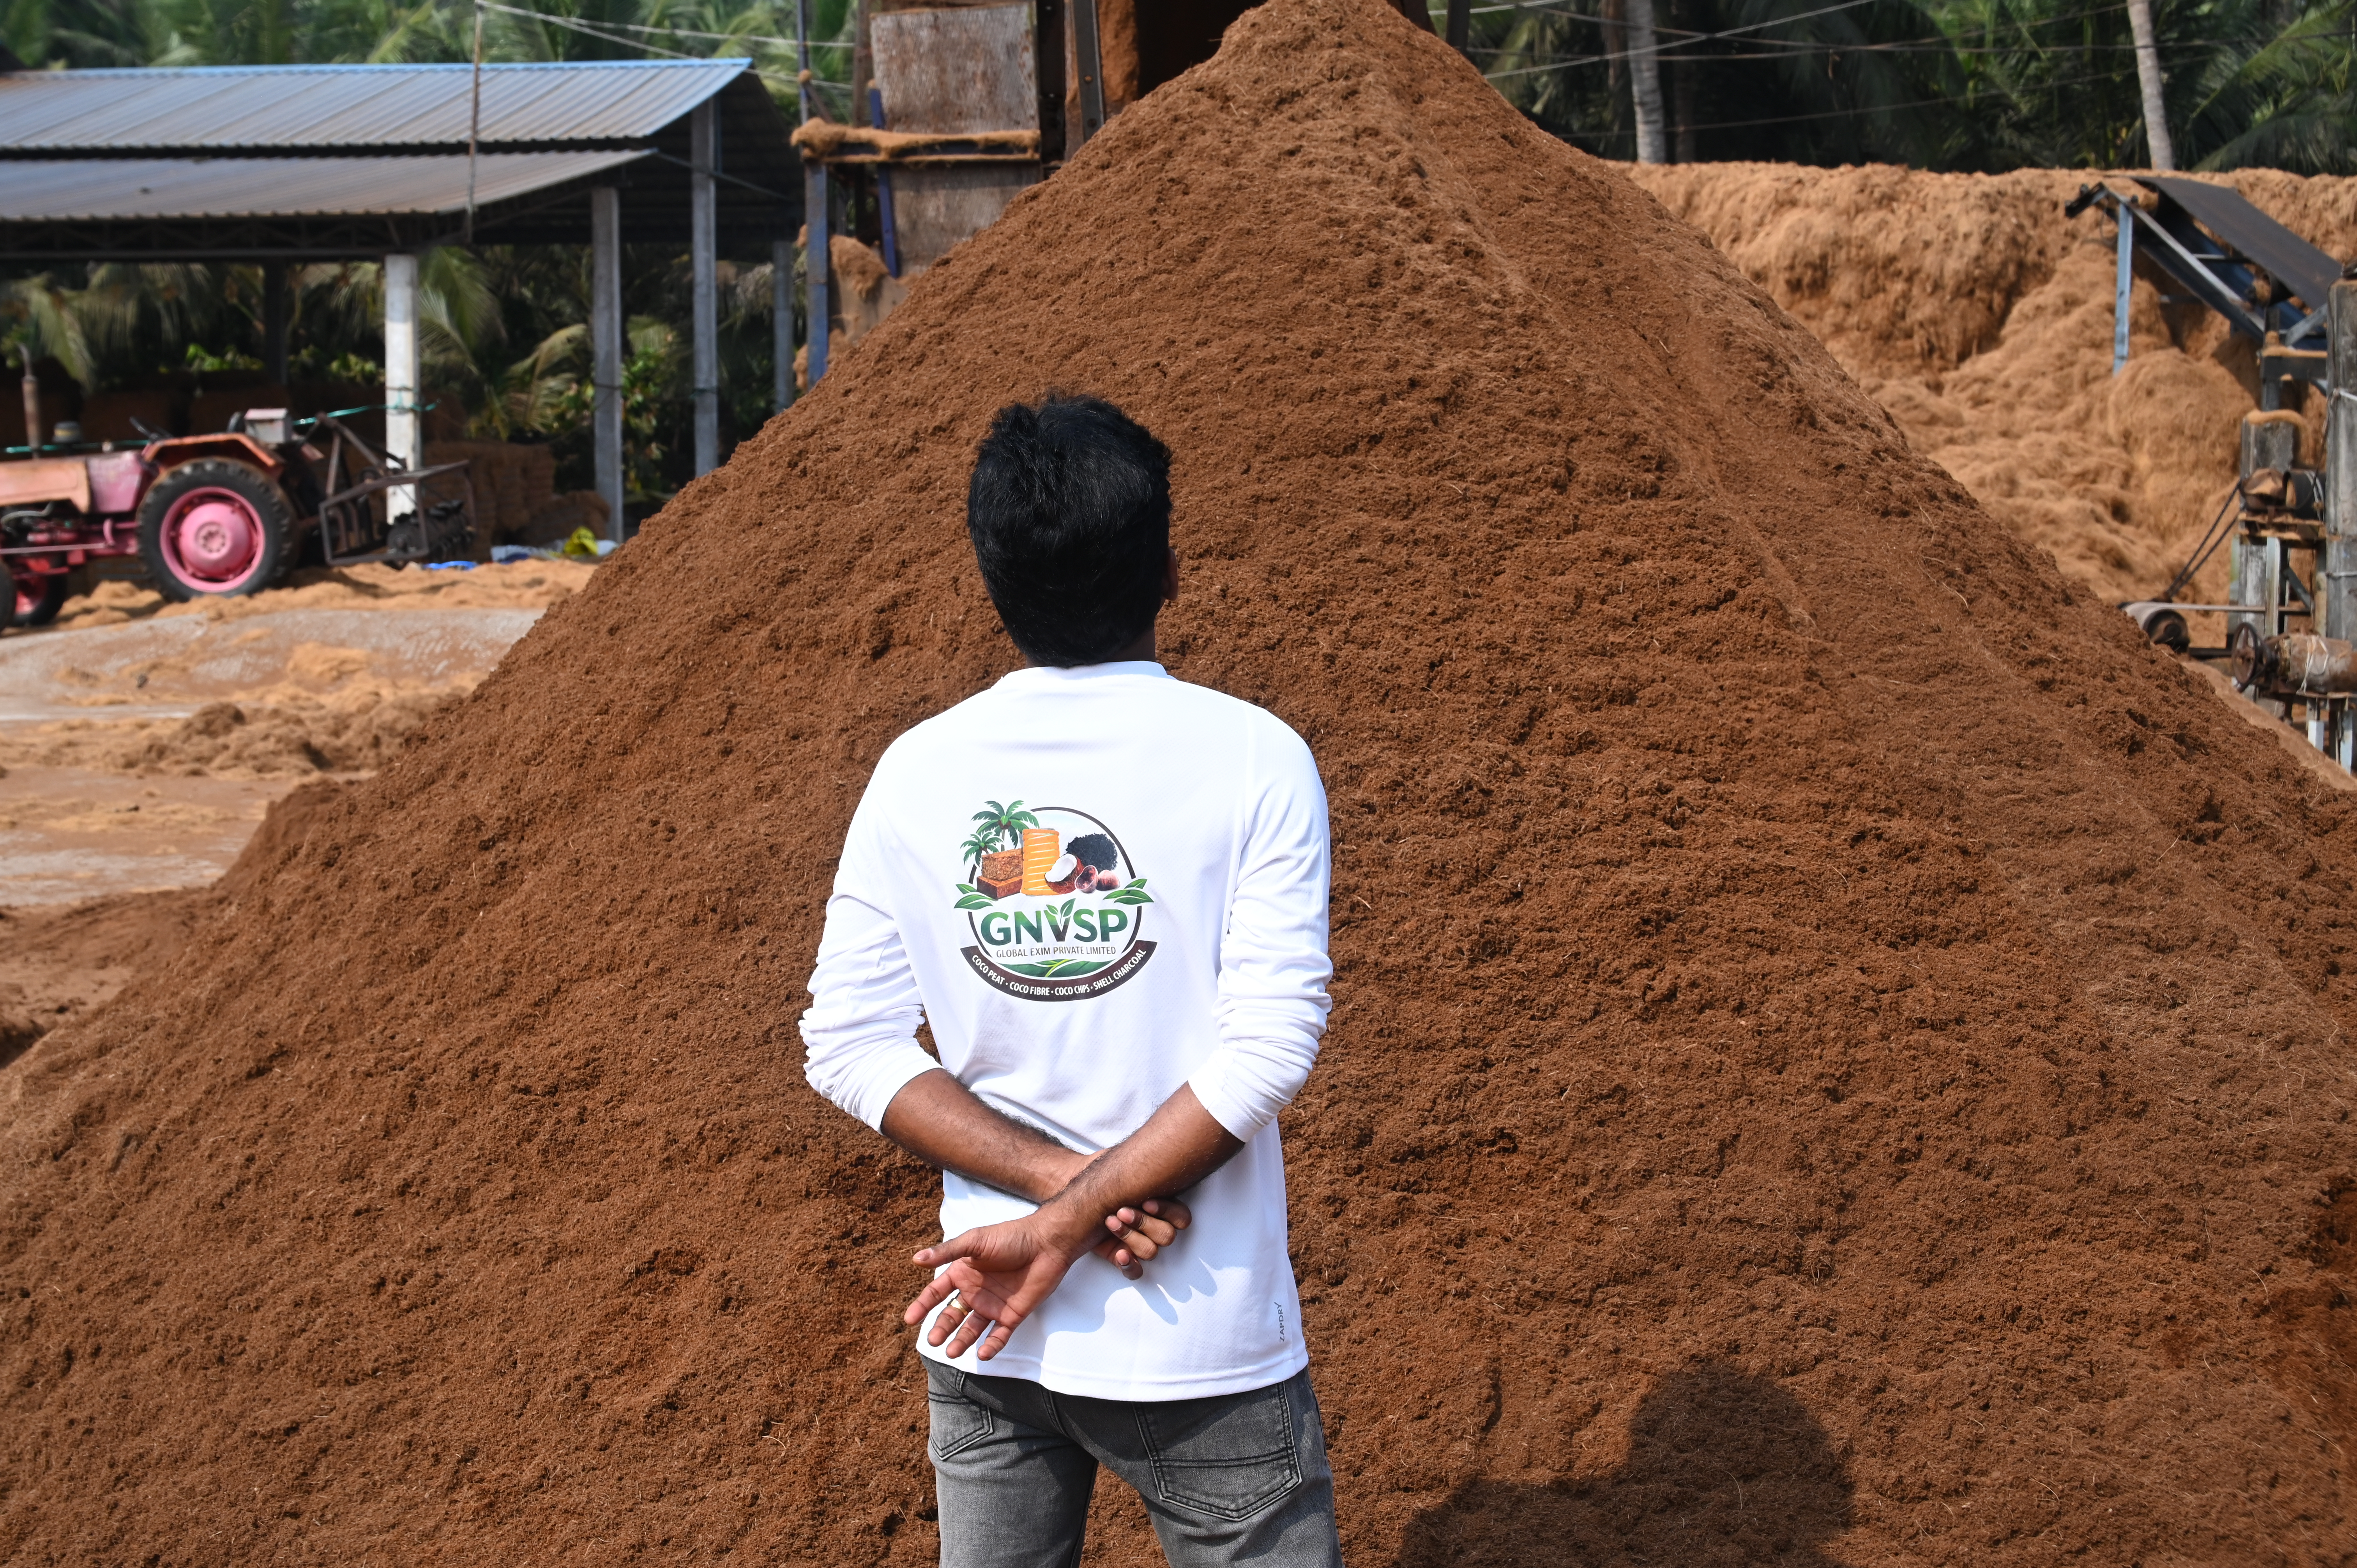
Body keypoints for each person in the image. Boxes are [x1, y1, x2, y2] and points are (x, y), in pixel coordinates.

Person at [799, 392, 1341, 1568]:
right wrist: (1080, 1206)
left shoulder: (916, 771)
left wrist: (1049, 1211)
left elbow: (849, 1043)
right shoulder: (1255, 757)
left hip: (988, 1320)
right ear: (1170, 570)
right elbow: (1267, 1049)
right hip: (1199, 1345)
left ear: (993, 582)